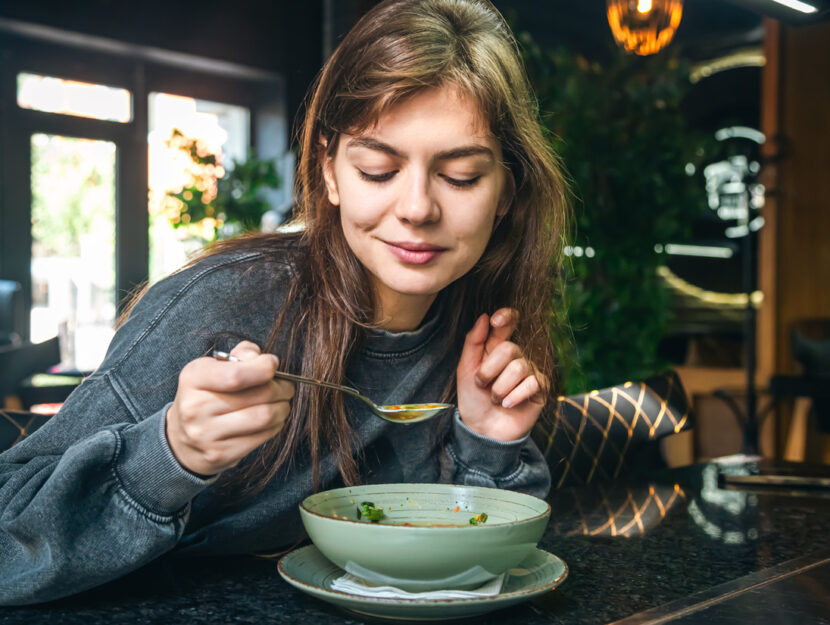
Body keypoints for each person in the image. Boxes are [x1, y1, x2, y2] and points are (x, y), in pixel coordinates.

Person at [0, 0, 567, 605]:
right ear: (329, 170)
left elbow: (469, 570)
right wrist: (171, 452)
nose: (418, 208)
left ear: (506, 191)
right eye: (378, 169)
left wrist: (488, 440)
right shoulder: (219, 306)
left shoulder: (474, 327)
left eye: (460, 177)